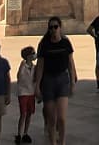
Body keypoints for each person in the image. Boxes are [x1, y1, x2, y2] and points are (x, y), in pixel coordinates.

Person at [33, 16, 76, 145]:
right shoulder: (44, 44)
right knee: (51, 119)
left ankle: (61, 142)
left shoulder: (65, 43)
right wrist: (37, 85)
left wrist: (73, 81)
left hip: (62, 79)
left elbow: (70, 63)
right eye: (50, 27)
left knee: (61, 118)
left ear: (60, 27)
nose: (53, 30)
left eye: (55, 27)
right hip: (48, 81)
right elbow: (40, 66)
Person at [15, 46, 36, 145]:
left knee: (29, 114)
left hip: (31, 92)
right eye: (33, 53)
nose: (34, 55)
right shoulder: (23, 66)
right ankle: (19, 134)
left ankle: (25, 133)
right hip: (23, 93)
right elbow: (19, 76)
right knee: (23, 114)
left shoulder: (34, 67)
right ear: (28, 56)